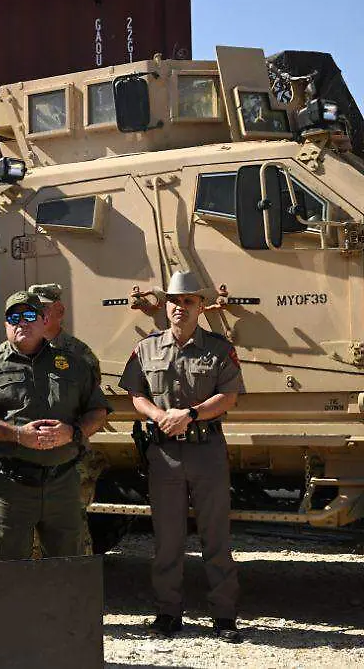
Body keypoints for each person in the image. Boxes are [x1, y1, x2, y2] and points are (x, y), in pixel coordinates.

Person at [119, 271, 244, 642]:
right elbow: (135, 392)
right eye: (174, 300)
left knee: (215, 536)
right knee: (168, 539)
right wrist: (158, 416)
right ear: (166, 305)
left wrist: (189, 414)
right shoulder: (147, 348)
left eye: (188, 301)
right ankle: (168, 613)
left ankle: (224, 616)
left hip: (206, 450)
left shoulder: (219, 349)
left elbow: (229, 396)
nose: (180, 307)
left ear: (201, 306)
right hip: (164, 454)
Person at [0, 291, 110, 561]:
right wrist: (17, 435)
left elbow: (97, 411)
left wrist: (72, 432)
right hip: (10, 488)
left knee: (67, 571)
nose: (22, 323)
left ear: (44, 320)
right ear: (5, 324)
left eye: (29, 316)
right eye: (14, 317)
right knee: (6, 574)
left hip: (62, 486)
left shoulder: (73, 365)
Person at [29, 282, 105, 555]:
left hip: (70, 459)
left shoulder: (78, 354)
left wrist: (70, 436)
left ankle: (78, 592)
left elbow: (94, 409)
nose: (37, 315)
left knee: (71, 530)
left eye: (43, 308)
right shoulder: (17, 350)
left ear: (59, 311)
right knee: (30, 535)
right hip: (29, 457)